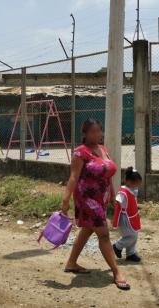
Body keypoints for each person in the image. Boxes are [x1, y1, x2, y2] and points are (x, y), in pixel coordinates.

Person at [60, 118, 130, 291]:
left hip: (102, 198)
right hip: (87, 199)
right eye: (93, 131)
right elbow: (73, 177)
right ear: (84, 133)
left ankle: (71, 263)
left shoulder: (103, 149)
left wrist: (113, 195)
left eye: (99, 131)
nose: (97, 134)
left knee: (88, 229)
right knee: (103, 234)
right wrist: (65, 200)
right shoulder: (80, 152)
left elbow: (108, 175)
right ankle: (116, 272)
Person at [112, 167, 143, 262]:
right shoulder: (123, 193)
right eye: (135, 184)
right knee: (131, 236)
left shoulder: (132, 190)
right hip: (125, 218)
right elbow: (117, 205)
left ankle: (131, 253)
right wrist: (115, 221)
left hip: (133, 216)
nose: (136, 186)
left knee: (135, 234)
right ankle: (117, 246)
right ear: (128, 182)